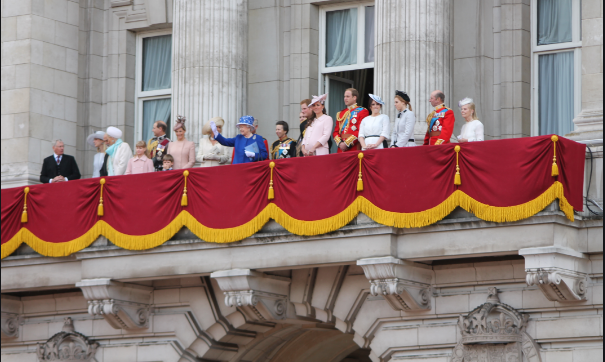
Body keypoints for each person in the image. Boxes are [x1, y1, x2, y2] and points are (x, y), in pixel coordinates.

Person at [334, 88, 370, 153]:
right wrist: (340, 143)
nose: (345, 98)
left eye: (347, 96)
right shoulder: (341, 113)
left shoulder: (363, 111)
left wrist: (347, 143)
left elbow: (360, 130)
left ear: (354, 98)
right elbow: (336, 132)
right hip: (341, 148)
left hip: (354, 147)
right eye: (344, 96)